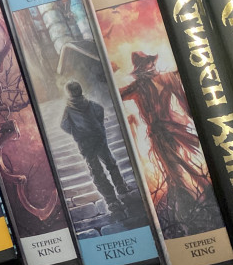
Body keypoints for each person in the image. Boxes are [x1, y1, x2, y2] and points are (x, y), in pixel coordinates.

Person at [118, 52, 212, 206]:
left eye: (150, 62)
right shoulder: (138, 87)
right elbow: (119, 94)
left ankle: (201, 192)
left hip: (172, 128)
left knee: (180, 163)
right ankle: (195, 196)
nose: (151, 65)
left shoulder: (167, 78)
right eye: (146, 63)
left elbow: (184, 102)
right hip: (158, 132)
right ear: (141, 68)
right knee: (174, 167)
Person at [60, 80, 129, 214]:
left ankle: (111, 200)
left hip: (84, 143)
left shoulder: (68, 110)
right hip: (98, 138)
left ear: (68, 94)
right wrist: (98, 125)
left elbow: (64, 125)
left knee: (96, 171)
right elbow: (100, 110)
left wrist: (76, 132)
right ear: (80, 90)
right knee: (110, 163)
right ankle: (121, 187)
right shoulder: (90, 104)